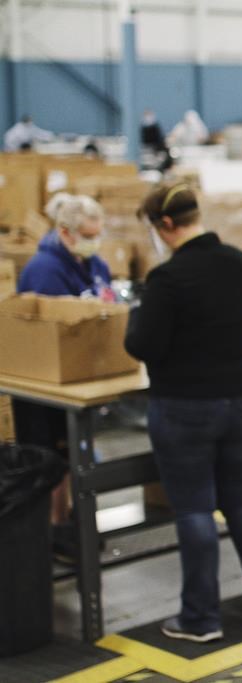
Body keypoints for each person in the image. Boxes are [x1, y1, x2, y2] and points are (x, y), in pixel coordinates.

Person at [125, 184, 242, 642]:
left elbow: (143, 345)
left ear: (166, 226)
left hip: (186, 406)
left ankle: (200, 618)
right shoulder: (238, 262)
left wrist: (135, 316)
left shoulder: (167, 279)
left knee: (195, 508)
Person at [14, 195, 114, 560]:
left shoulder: (94, 263)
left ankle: (70, 519)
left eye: (97, 233)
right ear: (65, 233)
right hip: (48, 384)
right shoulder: (44, 270)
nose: (94, 240)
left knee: (76, 455)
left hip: (85, 378)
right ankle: (55, 528)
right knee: (53, 458)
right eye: (88, 235)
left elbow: (107, 303)